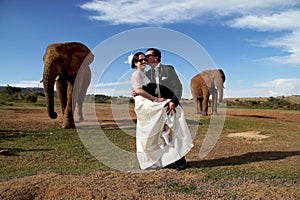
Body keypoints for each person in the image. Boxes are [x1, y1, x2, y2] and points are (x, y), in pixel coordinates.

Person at [131, 50, 193, 170]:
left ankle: (180, 160)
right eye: (142, 58)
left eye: (147, 57)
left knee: (173, 131)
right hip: (155, 107)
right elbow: (142, 90)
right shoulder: (146, 74)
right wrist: (135, 91)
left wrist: (173, 102)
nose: (145, 59)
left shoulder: (169, 69)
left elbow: (178, 87)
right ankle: (166, 160)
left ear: (156, 57)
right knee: (158, 134)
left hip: (169, 106)